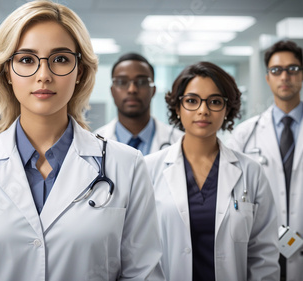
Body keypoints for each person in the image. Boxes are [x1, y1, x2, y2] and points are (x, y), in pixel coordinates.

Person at [0, 1, 164, 280]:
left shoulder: (127, 166)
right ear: (7, 72)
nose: (44, 75)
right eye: (26, 60)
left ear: (79, 72)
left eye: (60, 59)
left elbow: (143, 274)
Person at [145, 61, 279, 280]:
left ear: (227, 109)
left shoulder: (251, 173)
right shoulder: (149, 169)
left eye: (215, 102)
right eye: (192, 101)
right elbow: (139, 249)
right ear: (177, 108)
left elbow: (263, 255)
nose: (203, 110)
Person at [228, 40, 303, 280]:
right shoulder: (244, 133)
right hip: (263, 247)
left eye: (293, 69)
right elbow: (231, 194)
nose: (285, 76)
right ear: (267, 77)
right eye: (276, 70)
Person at [95, 53, 183, 155]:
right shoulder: (94, 143)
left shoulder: (178, 142)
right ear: (112, 91)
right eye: (122, 82)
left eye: (141, 82)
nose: (132, 89)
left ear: (153, 90)